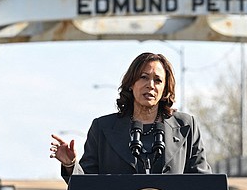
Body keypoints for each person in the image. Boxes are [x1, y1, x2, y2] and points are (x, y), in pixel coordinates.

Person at [50, 52, 211, 180]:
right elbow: (87, 186)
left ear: (165, 89)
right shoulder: (103, 128)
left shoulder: (187, 126)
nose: (151, 85)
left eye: (158, 80)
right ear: (131, 84)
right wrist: (71, 165)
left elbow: (203, 183)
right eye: (144, 77)